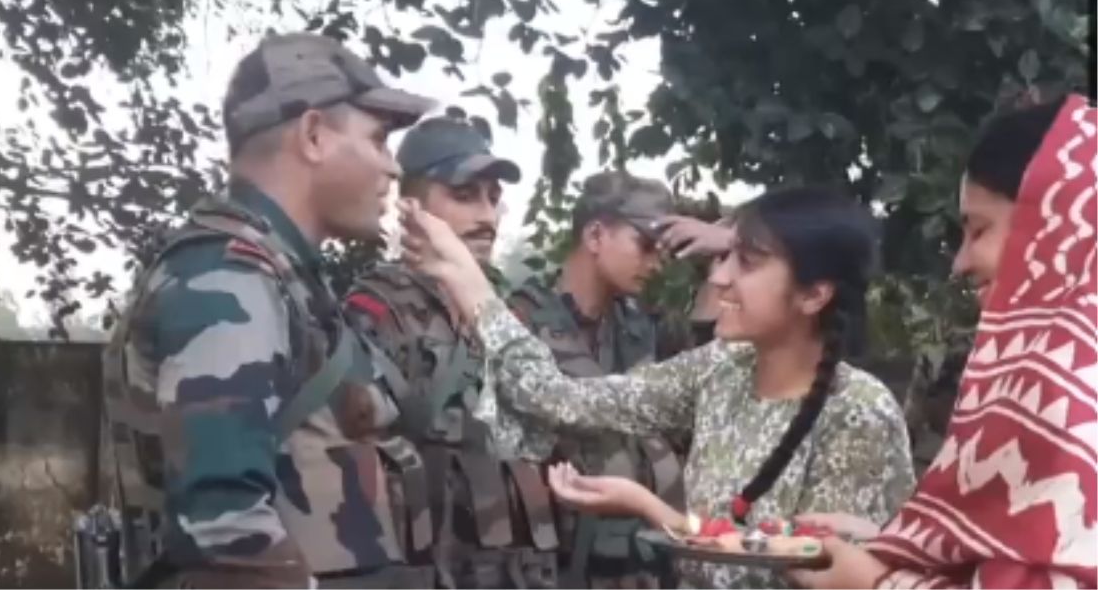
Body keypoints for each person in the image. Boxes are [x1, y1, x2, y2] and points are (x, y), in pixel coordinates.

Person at [397, 184, 917, 588]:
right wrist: (469, 282)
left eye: (748, 263)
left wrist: (648, 507)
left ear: (813, 295)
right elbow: (560, 399)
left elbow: (797, 570)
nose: (718, 279)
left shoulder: (857, 412)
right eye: (724, 257)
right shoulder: (720, 369)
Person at [102, 32, 439, 588]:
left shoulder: (290, 282)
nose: (392, 168)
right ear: (313, 135)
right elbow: (225, 528)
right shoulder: (227, 278)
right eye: (378, 140)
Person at [790, 94, 1097, 589]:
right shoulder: (1051, 377)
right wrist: (903, 544)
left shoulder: (1075, 402)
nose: (960, 262)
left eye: (979, 230)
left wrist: (875, 584)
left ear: (1059, 229)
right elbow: (1031, 548)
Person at [341, 117, 559, 589]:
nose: (487, 215)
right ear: (411, 207)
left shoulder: (509, 317)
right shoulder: (377, 311)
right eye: (464, 196)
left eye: (493, 197)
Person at [506, 171, 705, 588]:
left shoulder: (648, 327)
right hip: (561, 560)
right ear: (595, 236)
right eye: (646, 246)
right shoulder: (519, 323)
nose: (655, 264)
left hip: (648, 559)